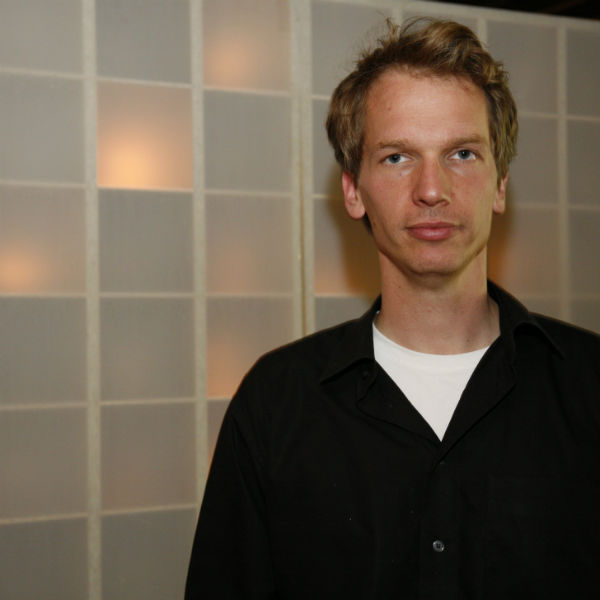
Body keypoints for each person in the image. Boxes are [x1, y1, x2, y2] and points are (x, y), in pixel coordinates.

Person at [185, 18, 600, 599]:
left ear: (501, 184)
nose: (432, 189)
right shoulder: (276, 404)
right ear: (353, 191)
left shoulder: (589, 386)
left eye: (462, 153)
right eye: (398, 157)